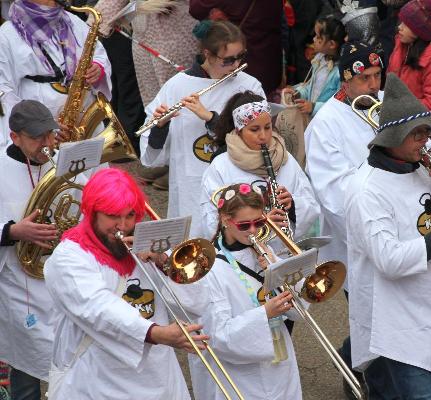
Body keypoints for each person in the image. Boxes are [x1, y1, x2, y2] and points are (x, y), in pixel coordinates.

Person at [346, 74, 431, 400]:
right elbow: (390, 260)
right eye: (418, 133)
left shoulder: (420, 168)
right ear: (393, 137)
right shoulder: (366, 189)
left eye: (428, 131)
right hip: (396, 324)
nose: (427, 140)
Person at [43, 167, 208, 399]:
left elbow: (198, 303)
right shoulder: (68, 257)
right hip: (97, 384)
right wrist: (156, 333)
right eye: (112, 215)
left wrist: (164, 262)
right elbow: (98, 308)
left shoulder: (149, 245)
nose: (122, 225)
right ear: (91, 212)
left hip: (160, 380)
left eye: (130, 215)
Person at [304, 40, 383, 399]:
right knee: (369, 315)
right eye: (364, 78)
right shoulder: (325, 124)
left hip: (393, 229)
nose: (373, 85)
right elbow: (332, 193)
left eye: (377, 75)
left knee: (386, 316)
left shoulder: (382, 108)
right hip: (356, 237)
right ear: (346, 81)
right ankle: (357, 371)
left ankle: (361, 363)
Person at [140, 20, 264, 237]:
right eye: (228, 60)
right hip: (190, 184)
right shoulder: (177, 85)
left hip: (236, 184)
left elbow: (258, 139)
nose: (235, 65)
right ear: (207, 53)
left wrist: (210, 118)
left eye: (240, 57)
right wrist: (161, 125)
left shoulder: (249, 85)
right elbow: (152, 157)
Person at [187, 182, 303, 400]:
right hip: (239, 375)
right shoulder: (209, 268)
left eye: (258, 222)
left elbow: (299, 311)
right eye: (243, 225)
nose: (253, 231)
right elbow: (218, 337)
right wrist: (264, 313)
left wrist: (277, 271)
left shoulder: (267, 254)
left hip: (280, 365)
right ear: (224, 220)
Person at [0, 100, 64, 400]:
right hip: (18, 282)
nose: (47, 143)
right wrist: (13, 231)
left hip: (62, 277)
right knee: (26, 364)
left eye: (50, 134)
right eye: (37, 137)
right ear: (15, 136)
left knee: (69, 359)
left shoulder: (62, 161)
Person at [198, 91, 319, 249]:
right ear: (240, 130)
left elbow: (311, 203)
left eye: (268, 127)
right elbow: (212, 218)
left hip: (282, 250)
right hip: (243, 257)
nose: (263, 136)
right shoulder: (221, 166)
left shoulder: (285, 158)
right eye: (254, 130)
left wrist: (293, 205)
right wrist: (260, 223)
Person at [0, 0, 111, 146]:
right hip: (39, 129)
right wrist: (33, 128)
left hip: (83, 119)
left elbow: (98, 52)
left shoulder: (72, 20)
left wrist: (98, 67)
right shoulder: (6, 35)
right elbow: (4, 89)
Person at [277, 14, 345, 166]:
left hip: (325, 122)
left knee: (318, 155)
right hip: (310, 118)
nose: (313, 39)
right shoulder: (320, 59)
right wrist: (298, 92)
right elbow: (311, 85)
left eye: (318, 36)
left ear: (332, 44)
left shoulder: (339, 71)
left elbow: (340, 100)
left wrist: (314, 107)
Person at [387, 0, 431, 115]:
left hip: (415, 124)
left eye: (406, 24)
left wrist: (398, 106)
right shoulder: (402, 43)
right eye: (401, 22)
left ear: (420, 31)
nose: (399, 27)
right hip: (393, 112)